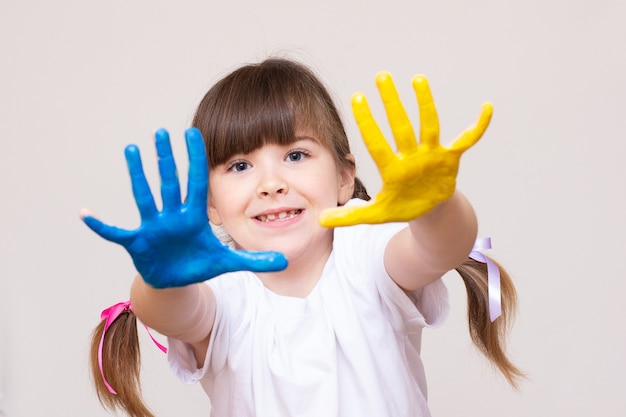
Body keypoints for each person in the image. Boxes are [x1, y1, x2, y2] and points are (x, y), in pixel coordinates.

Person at [81, 57, 523, 417]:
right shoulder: (223, 293)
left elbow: (438, 247)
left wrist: (437, 204)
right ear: (209, 204)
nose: (270, 183)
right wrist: (162, 278)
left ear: (345, 177)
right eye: (239, 166)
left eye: (296, 155)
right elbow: (172, 312)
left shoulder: (366, 256)